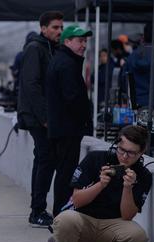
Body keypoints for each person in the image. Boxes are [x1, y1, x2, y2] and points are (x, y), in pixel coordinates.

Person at [53, 125, 152, 242]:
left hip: (113, 224)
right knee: (64, 219)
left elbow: (128, 216)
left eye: (131, 153)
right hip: (84, 219)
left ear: (141, 153)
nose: (124, 156)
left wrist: (128, 188)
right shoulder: (95, 159)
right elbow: (77, 201)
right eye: (121, 149)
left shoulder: (143, 175)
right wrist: (101, 184)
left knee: (139, 236)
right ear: (116, 145)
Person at [17, 10, 64, 227]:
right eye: (55, 27)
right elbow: (31, 84)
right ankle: (37, 210)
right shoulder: (35, 48)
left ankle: (37, 208)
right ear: (43, 28)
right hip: (39, 117)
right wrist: (45, 117)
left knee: (44, 158)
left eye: (61, 28)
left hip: (44, 115)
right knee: (46, 158)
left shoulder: (49, 49)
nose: (59, 31)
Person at [46, 25, 93, 218]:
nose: (84, 45)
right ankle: (61, 215)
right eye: (79, 41)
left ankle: (61, 213)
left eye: (85, 41)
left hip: (63, 127)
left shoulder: (64, 60)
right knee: (66, 173)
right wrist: (86, 119)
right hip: (67, 128)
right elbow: (73, 98)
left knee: (64, 171)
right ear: (67, 42)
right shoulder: (67, 64)